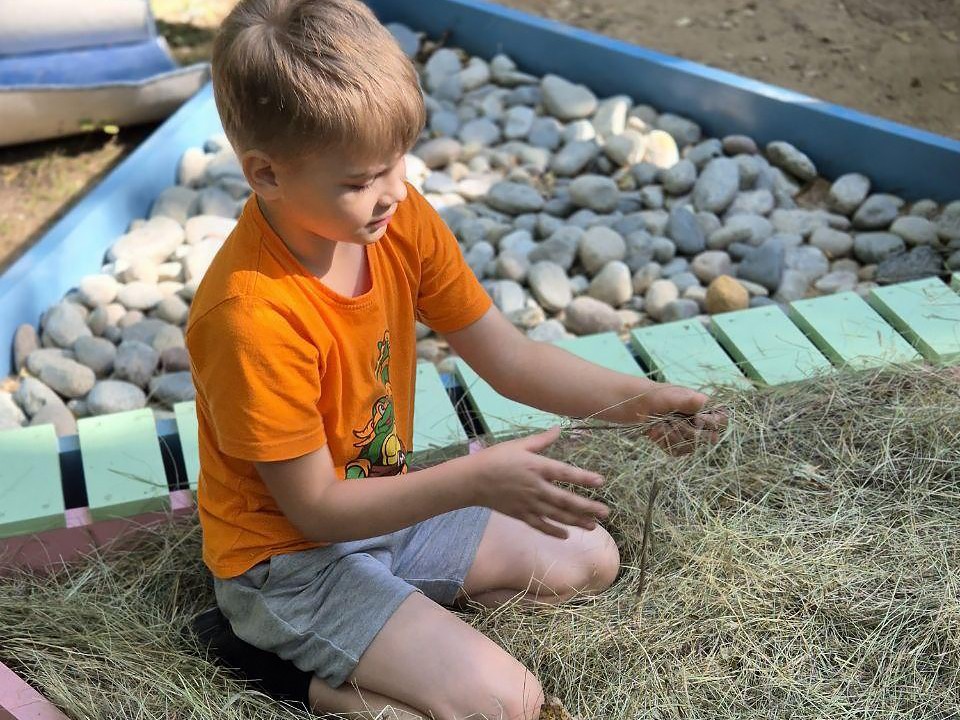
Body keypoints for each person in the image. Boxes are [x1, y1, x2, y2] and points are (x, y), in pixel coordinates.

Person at [185, 0, 725, 717]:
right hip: (287, 562)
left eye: (396, 161)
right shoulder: (250, 315)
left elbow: (505, 357)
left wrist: (639, 402)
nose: (393, 191)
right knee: (512, 704)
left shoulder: (395, 220)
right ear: (265, 174)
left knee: (591, 558)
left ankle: (395, 632)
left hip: (385, 510)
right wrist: (473, 482)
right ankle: (272, 663)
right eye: (358, 181)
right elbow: (313, 510)